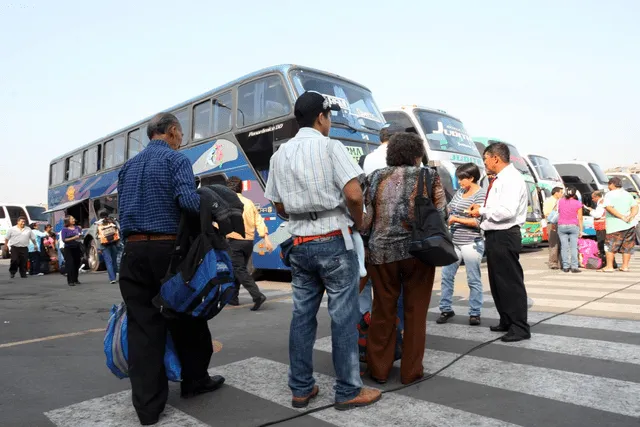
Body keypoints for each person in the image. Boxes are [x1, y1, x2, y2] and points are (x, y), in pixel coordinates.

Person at [265, 91, 381, 411]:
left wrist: (299, 217)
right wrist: (358, 223)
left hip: (299, 245)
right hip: (333, 240)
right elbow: (354, 195)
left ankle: (301, 388)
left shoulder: (280, 156)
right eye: (329, 117)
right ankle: (347, 391)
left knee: (302, 318)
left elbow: (277, 204)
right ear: (321, 117)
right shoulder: (331, 147)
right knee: (343, 318)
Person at [118, 112, 224, 425]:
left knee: (143, 327)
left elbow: (122, 213)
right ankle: (194, 381)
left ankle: (148, 409)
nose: (181, 140)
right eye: (181, 135)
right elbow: (188, 204)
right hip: (168, 251)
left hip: (133, 251)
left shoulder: (128, 166)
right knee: (188, 315)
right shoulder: (175, 160)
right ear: (173, 131)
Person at [364, 132, 446, 384]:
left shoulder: (375, 177)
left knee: (382, 311)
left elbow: (367, 219)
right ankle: (411, 372)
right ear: (417, 154)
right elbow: (441, 212)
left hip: (381, 254)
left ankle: (378, 370)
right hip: (418, 253)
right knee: (415, 312)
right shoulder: (429, 176)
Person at [469, 142, 530, 342]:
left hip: (505, 234)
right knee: (498, 283)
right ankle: (507, 320)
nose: (484, 163)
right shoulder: (500, 179)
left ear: (495, 158)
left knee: (510, 283)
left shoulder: (511, 179)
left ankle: (520, 327)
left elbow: (507, 211)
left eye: (485, 158)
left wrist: (482, 211)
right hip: (495, 235)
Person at [436, 163, 486, 326]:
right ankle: (445, 308)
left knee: (473, 279)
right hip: (454, 241)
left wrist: (456, 219)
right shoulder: (460, 192)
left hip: (471, 243)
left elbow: (477, 222)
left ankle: (475, 312)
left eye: (461, 179)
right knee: (446, 276)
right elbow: (450, 208)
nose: (459, 182)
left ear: (471, 178)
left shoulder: (480, 195)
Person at [225, 176, 273, 310]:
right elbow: (259, 220)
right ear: (241, 188)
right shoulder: (249, 202)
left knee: (239, 270)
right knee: (237, 270)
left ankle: (257, 295)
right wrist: (266, 238)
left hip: (234, 241)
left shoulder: (226, 202)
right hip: (248, 243)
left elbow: (219, 222)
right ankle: (233, 299)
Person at [598, 177, 638, 272]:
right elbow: (635, 206)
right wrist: (631, 216)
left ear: (612, 184)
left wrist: (621, 217)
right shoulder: (627, 194)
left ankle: (609, 266)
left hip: (615, 226)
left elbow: (608, 207)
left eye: (609, 184)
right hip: (629, 225)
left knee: (610, 246)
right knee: (627, 246)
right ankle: (625, 266)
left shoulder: (609, 195)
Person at [556, 187, 583, 273]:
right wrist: (581, 230)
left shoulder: (560, 201)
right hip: (573, 226)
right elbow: (580, 218)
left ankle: (565, 266)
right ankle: (574, 267)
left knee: (564, 247)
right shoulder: (578, 203)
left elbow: (558, 212)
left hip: (561, 225)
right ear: (574, 194)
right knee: (574, 247)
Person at [96, 210, 122, 284]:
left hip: (104, 245)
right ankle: (115, 276)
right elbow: (119, 230)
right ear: (107, 215)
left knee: (108, 262)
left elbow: (97, 236)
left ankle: (112, 278)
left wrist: (99, 248)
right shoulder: (112, 221)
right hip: (114, 243)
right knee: (114, 261)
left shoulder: (98, 224)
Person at [543, 187, 564, 269]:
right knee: (553, 243)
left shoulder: (561, 201)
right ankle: (553, 262)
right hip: (552, 223)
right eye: (561, 192)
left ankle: (560, 262)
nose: (562, 194)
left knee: (561, 243)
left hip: (561, 224)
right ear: (556, 193)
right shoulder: (549, 201)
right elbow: (547, 214)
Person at [61, 216, 83, 286]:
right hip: (68, 248)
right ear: (68, 221)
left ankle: (75, 279)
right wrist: (74, 237)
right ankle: (70, 280)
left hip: (76, 247)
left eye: (74, 218)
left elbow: (79, 236)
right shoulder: (65, 230)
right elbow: (64, 240)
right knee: (70, 264)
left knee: (77, 263)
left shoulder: (77, 228)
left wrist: (80, 236)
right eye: (72, 219)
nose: (74, 220)